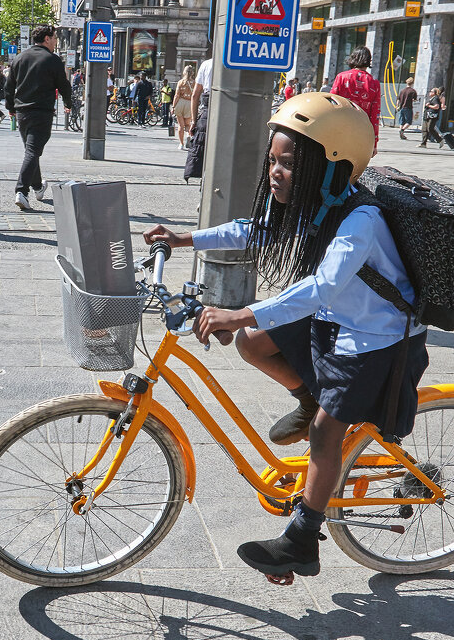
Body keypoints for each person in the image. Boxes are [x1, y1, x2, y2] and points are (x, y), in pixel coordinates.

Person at [143, 92, 427, 584]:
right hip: (338, 318)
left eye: (289, 163)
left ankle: (301, 541)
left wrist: (237, 312)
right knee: (255, 341)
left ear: (330, 165)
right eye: (272, 161)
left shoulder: (360, 219)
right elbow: (252, 229)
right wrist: (184, 238)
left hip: (375, 337)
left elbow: (319, 290)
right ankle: (307, 396)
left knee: (323, 434)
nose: (275, 171)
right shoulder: (315, 202)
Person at [4, 24, 72, 210]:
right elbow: (64, 85)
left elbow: (9, 86)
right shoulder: (52, 60)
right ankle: (21, 190)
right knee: (33, 152)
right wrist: (68, 103)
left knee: (30, 151)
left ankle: (38, 186)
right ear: (47, 39)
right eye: (55, 37)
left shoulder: (20, 57)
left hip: (22, 113)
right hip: (41, 112)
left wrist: (10, 107)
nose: (56, 41)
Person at [331, 46, 381, 153]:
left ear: (353, 58)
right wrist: (374, 142)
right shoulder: (374, 83)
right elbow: (375, 115)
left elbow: (331, 105)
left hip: (340, 129)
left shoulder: (341, 77)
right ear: (368, 61)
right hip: (361, 131)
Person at [184, 51, 214, 182]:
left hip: (207, 111)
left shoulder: (207, 64)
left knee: (203, 152)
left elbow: (195, 95)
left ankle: (204, 185)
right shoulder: (236, 62)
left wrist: (193, 121)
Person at [174, 64, 195, 150]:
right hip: (189, 103)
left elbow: (176, 96)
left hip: (180, 103)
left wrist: (173, 106)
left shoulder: (180, 82)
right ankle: (188, 135)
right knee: (188, 124)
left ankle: (181, 144)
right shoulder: (195, 83)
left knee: (180, 125)